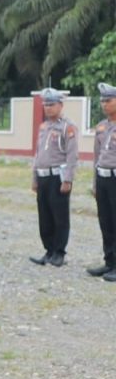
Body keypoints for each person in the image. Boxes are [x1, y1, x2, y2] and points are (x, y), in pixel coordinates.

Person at [29, 88, 79, 267]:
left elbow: (72, 155)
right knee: (45, 215)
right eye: (45, 105)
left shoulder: (67, 126)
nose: (48, 108)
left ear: (60, 105)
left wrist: (68, 179)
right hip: (43, 176)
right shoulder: (43, 127)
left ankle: (59, 252)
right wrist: (34, 177)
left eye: (51, 104)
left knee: (59, 216)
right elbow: (37, 153)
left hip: (58, 176)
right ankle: (48, 250)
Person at [88, 82, 116, 281]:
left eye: (109, 100)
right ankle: (110, 262)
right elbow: (96, 156)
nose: (104, 104)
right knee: (105, 222)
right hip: (103, 177)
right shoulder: (102, 126)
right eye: (102, 101)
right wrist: (95, 183)